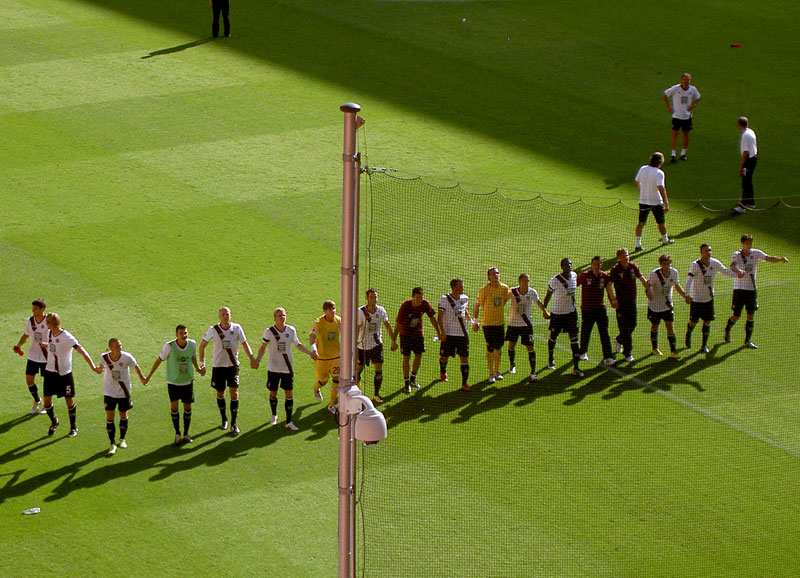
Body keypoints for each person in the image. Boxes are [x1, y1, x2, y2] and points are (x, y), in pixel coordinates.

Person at [255, 308, 317, 430]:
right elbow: (263, 347)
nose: (282, 317)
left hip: (287, 368)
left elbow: (297, 345)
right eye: (279, 315)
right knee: (273, 392)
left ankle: (289, 421)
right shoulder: (269, 332)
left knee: (289, 393)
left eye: (283, 315)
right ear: (274, 318)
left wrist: (310, 353)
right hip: (273, 368)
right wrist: (257, 360)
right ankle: (274, 415)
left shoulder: (291, 330)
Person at [41, 312, 101, 438]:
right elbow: (54, 346)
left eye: (47, 322)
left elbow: (82, 351)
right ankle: (54, 421)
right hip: (50, 371)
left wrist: (93, 367)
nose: (46, 324)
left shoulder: (67, 337)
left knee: (68, 399)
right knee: (46, 401)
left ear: (53, 324)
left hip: (64, 374)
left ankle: (73, 427)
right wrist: (46, 345)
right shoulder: (49, 333)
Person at [724, 234, 789, 348]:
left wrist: (780, 259)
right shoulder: (736, 254)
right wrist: (739, 271)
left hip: (751, 289)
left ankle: (747, 341)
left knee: (751, 314)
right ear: (742, 243)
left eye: (750, 243)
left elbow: (768, 258)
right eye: (747, 243)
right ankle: (727, 328)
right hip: (739, 289)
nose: (749, 245)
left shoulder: (756, 253)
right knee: (736, 315)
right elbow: (732, 266)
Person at [199, 307, 256, 436]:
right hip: (218, 366)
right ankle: (224, 419)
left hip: (232, 366)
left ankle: (234, 423)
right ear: (219, 316)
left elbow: (245, 344)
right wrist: (202, 363)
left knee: (234, 393)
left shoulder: (236, 328)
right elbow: (202, 345)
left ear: (231, 315)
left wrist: (252, 357)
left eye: (228, 314)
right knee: (220, 393)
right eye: (223, 314)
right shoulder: (213, 330)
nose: (226, 316)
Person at [145, 325, 205, 445]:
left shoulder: (192, 344)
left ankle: (186, 434)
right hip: (173, 382)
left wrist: (198, 368)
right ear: (176, 334)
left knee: (187, 407)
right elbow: (159, 360)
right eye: (181, 333)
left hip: (187, 381)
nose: (184, 335)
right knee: (174, 407)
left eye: (186, 333)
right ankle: (177, 434)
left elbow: (192, 357)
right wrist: (149, 376)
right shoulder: (169, 346)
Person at [684, 244, 742, 354]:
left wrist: (737, 274)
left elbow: (725, 271)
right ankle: (688, 334)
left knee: (707, 322)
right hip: (696, 299)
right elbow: (689, 280)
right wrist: (687, 295)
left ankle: (704, 345)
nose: (709, 252)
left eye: (710, 250)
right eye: (706, 251)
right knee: (693, 322)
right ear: (701, 252)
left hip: (708, 299)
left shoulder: (715, 263)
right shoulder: (695, 265)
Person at [98, 338, 146, 455]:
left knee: (123, 414)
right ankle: (112, 443)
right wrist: (97, 369)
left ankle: (122, 439)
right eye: (117, 346)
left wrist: (142, 378)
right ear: (111, 348)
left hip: (123, 392)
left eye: (120, 345)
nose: (120, 347)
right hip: (109, 391)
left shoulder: (127, 357)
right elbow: (101, 367)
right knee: (110, 416)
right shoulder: (104, 357)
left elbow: (136, 367)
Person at [393, 287, 440, 394]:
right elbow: (398, 324)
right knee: (406, 357)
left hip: (418, 334)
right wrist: (393, 340)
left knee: (419, 355)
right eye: (418, 298)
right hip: (405, 334)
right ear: (413, 297)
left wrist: (438, 332)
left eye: (421, 297)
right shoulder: (405, 306)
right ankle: (406, 383)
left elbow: (432, 317)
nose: (420, 300)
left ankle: (413, 379)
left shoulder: (425, 304)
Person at [542, 258, 583, 377]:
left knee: (574, 338)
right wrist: (544, 309)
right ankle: (550, 358)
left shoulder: (575, 275)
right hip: (557, 314)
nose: (568, 266)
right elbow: (548, 295)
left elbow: (573, 293)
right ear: (562, 266)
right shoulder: (555, 280)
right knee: (553, 335)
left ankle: (576, 367)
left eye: (570, 264)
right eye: (566, 265)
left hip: (570, 313)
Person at [506, 273, 549, 381]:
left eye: (528, 280)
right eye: (524, 280)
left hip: (526, 325)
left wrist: (545, 312)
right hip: (513, 324)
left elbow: (538, 303)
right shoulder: (512, 292)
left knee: (530, 347)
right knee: (511, 345)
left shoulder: (532, 292)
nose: (526, 283)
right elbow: (503, 301)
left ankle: (533, 372)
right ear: (519, 282)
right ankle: (512, 364)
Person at [646, 254, 691, 359]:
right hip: (655, 306)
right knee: (654, 326)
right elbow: (648, 286)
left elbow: (677, 286)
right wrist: (648, 292)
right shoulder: (654, 274)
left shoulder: (674, 273)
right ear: (660, 264)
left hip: (667, 306)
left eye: (668, 264)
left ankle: (673, 351)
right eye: (664, 264)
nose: (666, 266)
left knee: (670, 327)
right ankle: (655, 348)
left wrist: (685, 296)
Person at [609, 248, 649, 363]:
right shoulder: (615, 270)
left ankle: (618, 339)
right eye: (624, 255)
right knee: (624, 328)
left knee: (633, 324)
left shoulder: (633, 266)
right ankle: (628, 353)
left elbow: (642, 279)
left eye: (627, 255)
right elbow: (609, 285)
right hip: (621, 304)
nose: (626, 257)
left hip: (632, 302)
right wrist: (612, 299)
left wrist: (648, 289)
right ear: (619, 258)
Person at [356, 289, 396, 403]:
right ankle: (355, 393)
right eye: (372, 297)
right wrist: (354, 347)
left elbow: (387, 326)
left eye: (375, 297)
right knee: (358, 370)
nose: (374, 299)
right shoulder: (360, 312)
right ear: (367, 298)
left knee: (379, 369)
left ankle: (376, 394)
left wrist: (393, 341)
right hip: (362, 346)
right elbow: (357, 329)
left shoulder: (381, 310)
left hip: (376, 345)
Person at [576, 257, 616, 366]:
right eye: (594, 264)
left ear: (601, 264)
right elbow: (575, 285)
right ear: (591, 264)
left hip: (600, 308)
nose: (596, 266)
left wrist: (612, 300)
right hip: (587, 309)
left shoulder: (604, 276)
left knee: (604, 333)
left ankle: (608, 356)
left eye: (598, 264)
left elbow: (609, 288)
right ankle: (583, 352)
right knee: (586, 331)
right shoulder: (584, 275)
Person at [472, 267, 511, 383]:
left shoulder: (504, 288)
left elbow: (503, 302)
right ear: (489, 276)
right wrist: (475, 320)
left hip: (499, 323)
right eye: (493, 274)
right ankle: (490, 373)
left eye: (497, 273)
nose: (496, 275)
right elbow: (477, 305)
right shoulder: (484, 290)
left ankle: (497, 371)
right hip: (488, 324)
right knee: (490, 348)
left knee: (498, 348)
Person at [437, 278, 476, 392]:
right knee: (444, 357)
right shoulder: (444, 299)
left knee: (464, 358)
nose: (463, 287)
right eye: (461, 286)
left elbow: (465, 312)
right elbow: (439, 318)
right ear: (454, 287)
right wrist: (442, 333)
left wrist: (472, 323)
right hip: (449, 334)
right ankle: (443, 371)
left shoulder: (465, 298)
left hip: (462, 334)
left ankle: (464, 383)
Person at [13, 298, 49, 415]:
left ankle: (47, 405)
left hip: (46, 356)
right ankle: (37, 400)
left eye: (36, 309)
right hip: (33, 355)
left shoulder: (49, 320)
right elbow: (26, 335)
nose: (33, 311)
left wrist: (47, 344)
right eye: (33, 308)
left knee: (47, 382)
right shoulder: (30, 321)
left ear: (42, 309)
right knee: (29, 381)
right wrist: (18, 345)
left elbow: (56, 335)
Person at [634, 152, 673, 251]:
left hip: (643, 201)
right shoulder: (659, 173)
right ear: (660, 162)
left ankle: (638, 243)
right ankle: (665, 239)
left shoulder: (643, 168)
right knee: (661, 222)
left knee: (641, 222)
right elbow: (661, 188)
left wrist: (642, 190)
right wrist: (666, 202)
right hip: (656, 202)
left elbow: (636, 181)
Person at [310, 300, 342, 411]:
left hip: (336, 356)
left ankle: (331, 405)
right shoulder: (318, 323)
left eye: (333, 308)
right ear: (325, 311)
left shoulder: (338, 320)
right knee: (323, 381)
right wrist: (314, 349)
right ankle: (316, 388)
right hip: (322, 357)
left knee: (337, 378)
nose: (332, 311)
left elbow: (346, 334)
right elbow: (312, 337)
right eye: (329, 309)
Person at [663, 73, 701, 162]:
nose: (686, 81)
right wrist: (669, 106)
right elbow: (665, 95)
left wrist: (694, 105)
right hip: (676, 116)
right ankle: (673, 154)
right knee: (675, 134)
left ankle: (683, 153)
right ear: (681, 80)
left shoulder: (692, 89)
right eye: (684, 79)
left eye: (688, 79)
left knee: (686, 135)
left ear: (690, 81)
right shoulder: (675, 89)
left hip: (686, 116)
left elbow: (698, 97)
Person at [734, 117, 758, 213]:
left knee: (745, 183)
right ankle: (751, 203)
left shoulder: (745, 136)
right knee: (748, 181)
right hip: (754, 159)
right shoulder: (751, 131)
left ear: (740, 124)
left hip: (748, 161)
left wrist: (742, 165)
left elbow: (745, 153)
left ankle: (742, 207)